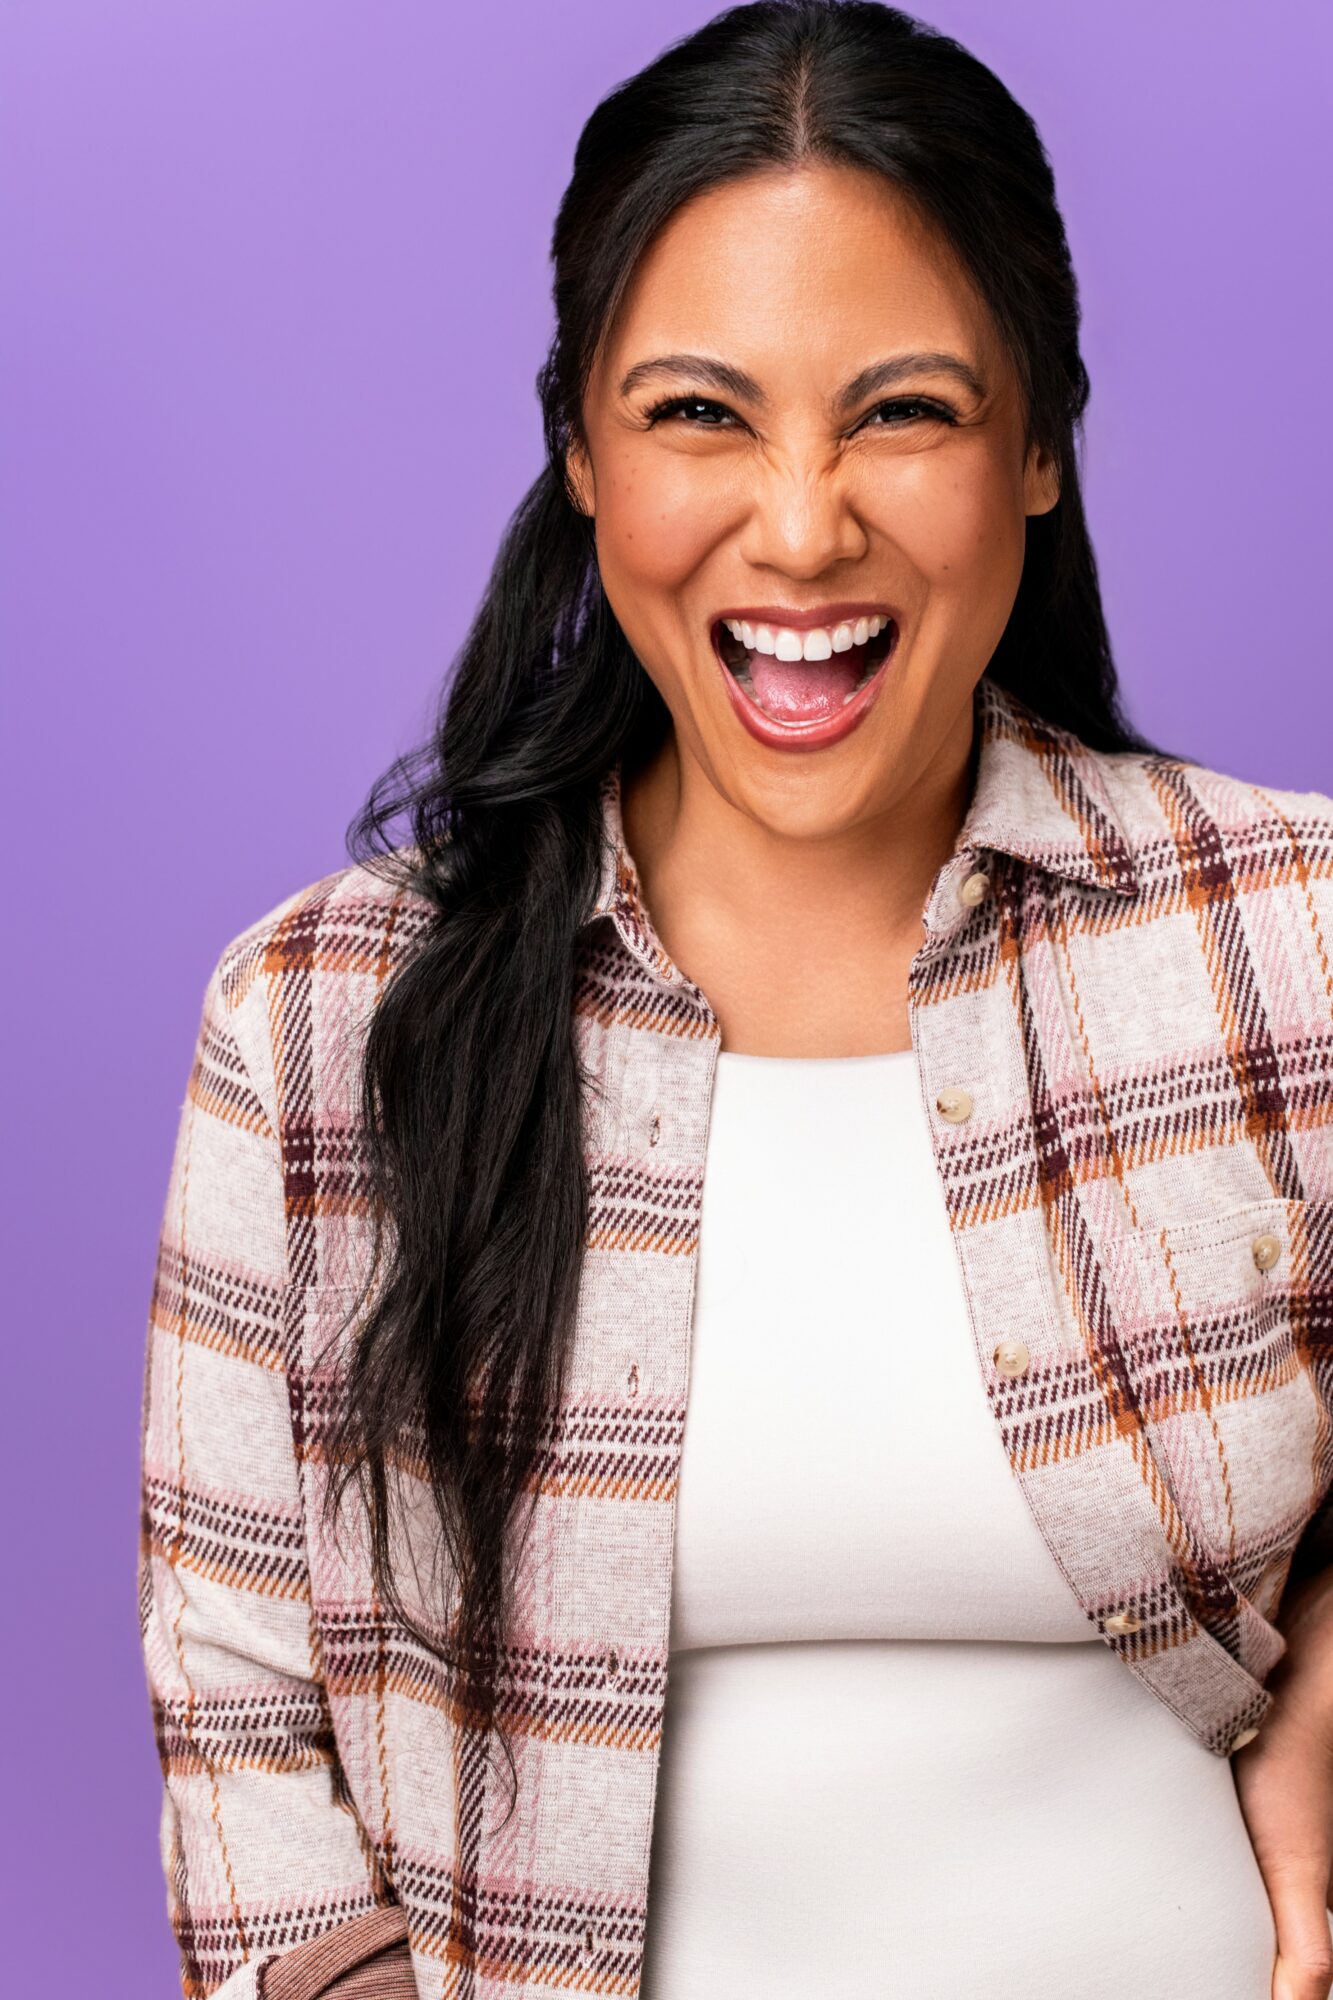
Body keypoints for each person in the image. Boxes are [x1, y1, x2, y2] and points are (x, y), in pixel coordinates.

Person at [136, 3, 1333, 1997]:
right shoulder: (320, 1024)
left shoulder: (1291, 940)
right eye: (700, 412)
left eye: (904, 413)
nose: (799, 524)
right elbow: (250, 1789)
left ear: (1037, 446)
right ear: (580, 449)